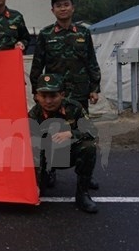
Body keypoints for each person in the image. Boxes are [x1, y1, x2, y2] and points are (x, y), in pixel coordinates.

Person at [30, 0, 101, 189]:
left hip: (79, 92)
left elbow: (91, 62)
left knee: (81, 132)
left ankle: (85, 176)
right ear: (53, 10)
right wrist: (36, 91)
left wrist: (95, 87)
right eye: (58, 5)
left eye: (66, 5)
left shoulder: (84, 33)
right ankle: (49, 171)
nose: (62, 9)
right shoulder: (45, 34)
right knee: (51, 132)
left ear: (73, 8)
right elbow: (37, 64)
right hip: (53, 93)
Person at [28, 73, 98, 213]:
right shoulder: (33, 115)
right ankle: (46, 176)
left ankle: (82, 194)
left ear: (62, 94)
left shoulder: (75, 107)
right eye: (43, 96)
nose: (48, 101)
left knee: (89, 147)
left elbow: (92, 130)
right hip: (47, 157)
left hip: (69, 153)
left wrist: (71, 133)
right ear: (36, 96)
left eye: (53, 96)